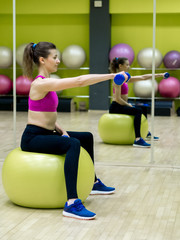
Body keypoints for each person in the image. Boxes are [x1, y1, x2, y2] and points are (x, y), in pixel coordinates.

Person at [20, 42, 126, 220]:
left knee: (86, 137)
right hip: (33, 138)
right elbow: (79, 81)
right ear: (42, 60)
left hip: (47, 132)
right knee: (73, 144)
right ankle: (71, 203)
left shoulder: (47, 83)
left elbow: (45, 114)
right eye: (54, 57)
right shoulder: (40, 84)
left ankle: (92, 182)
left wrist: (60, 129)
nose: (58, 60)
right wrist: (112, 75)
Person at [109, 57, 166, 148]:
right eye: (127, 64)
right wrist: (129, 105)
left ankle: (146, 133)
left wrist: (160, 74)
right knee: (137, 111)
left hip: (121, 104)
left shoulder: (125, 78)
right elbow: (118, 99)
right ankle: (138, 139)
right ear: (120, 66)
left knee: (143, 107)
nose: (129, 66)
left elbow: (143, 77)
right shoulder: (118, 79)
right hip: (116, 107)